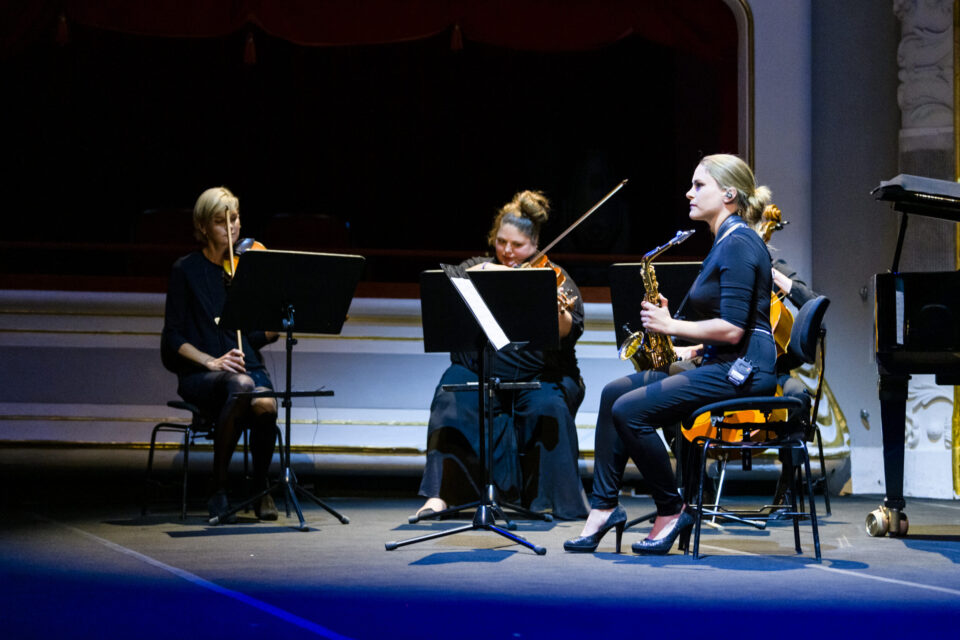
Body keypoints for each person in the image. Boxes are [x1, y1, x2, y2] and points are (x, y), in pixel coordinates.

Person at [564, 153, 778, 555]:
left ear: (729, 194)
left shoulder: (739, 243)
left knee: (630, 411)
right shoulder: (724, 241)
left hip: (744, 369)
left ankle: (670, 508)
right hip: (722, 360)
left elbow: (734, 329)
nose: (689, 192)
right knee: (614, 393)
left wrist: (671, 326)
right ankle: (604, 506)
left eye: (700, 185)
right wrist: (686, 342)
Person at [415, 190, 590, 521]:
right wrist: (496, 275)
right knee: (450, 397)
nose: (508, 251)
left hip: (541, 375)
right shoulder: (474, 270)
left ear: (535, 243)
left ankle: (549, 501)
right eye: (501, 242)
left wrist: (554, 311)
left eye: (518, 245)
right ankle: (441, 496)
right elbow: (451, 289)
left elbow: (569, 329)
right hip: (480, 369)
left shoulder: (554, 277)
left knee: (548, 406)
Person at [161, 186, 280, 524]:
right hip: (203, 374)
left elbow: (252, 336)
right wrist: (212, 361)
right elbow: (172, 337)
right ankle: (218, 486)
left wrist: (283, 323)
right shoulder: (186, 270)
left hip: (244, 368)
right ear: (202, 227)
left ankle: (260, 487)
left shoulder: (243, 269)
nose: (232, 227)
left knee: (265, 403)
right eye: (220, 221)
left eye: (236, 218)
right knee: (241, 385)